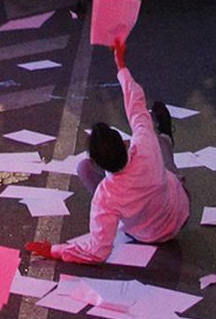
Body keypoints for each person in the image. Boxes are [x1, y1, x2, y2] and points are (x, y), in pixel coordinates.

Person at [26, 32, 188, 265]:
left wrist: (55, 250)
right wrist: (121, 64)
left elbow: (98, 251)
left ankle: (117, 216)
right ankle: (166, 133)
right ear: (123, 142)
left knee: (82, 168)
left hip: (145, 235)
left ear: (99, 164)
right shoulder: (143, 142)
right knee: (162, 151)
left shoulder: (106, 196)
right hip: (180, 213)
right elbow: (135, 102)